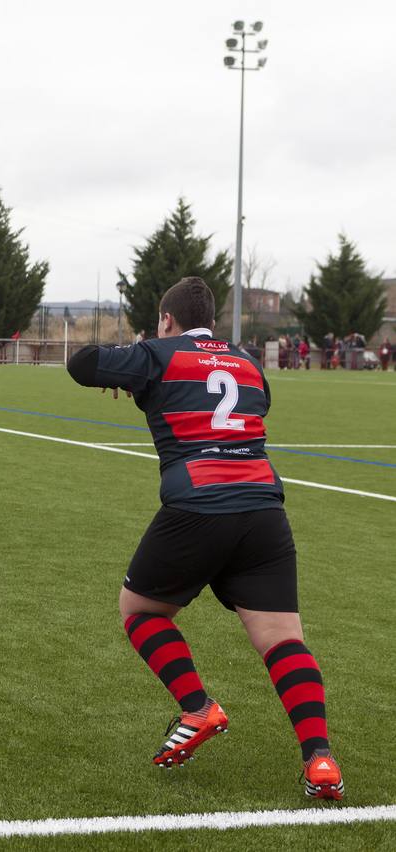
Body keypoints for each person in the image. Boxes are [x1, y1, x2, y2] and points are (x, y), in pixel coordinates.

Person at [66, 276, 342, 800]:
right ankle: (321, 759)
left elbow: (82, 363)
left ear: (166, 320)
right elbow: (246, 408)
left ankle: (198, 707)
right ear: (212, 322)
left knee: (140, 611)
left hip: (198, 505)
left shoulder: (158, 352)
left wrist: (133, 367)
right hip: (264, 509)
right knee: (284, 640)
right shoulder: (249, 362)